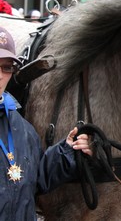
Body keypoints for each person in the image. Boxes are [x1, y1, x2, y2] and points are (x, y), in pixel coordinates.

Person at [0, 26, 93, 220]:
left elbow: (33, 179)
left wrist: (68, 150)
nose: (0, 75)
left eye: (7, 67)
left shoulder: (22, 128)